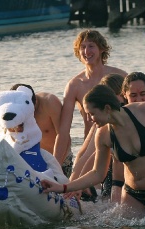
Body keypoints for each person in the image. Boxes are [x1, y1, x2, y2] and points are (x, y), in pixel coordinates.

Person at [41, 84, 145, 217]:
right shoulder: (103, 135)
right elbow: (97, 173)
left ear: (107, 108)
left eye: (91, 114)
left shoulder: (144, 110)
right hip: (133, 195)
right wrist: (63, 187)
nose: (89, 119)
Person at [54, 29, 127, 166]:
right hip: (92, 144)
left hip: (121, 140)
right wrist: (55, 165)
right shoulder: (74, 85)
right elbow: (63, 131)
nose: (87, 51)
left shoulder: (120, 77)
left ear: (101, 49)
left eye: (91, 46)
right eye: (83, 47)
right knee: (79, 179)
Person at [69, 73, 125, 202]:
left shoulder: (132, 114)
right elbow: (86, 154)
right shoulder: (102, 124)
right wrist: (74, 184)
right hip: (110, 176)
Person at [10, 83, 73, 177]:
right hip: (34, 160)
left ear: (34, 100)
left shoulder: (49, 102)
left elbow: (63, 135)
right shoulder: (15, 110)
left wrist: (55, 167)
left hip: (60, 159)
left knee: (60, 189)